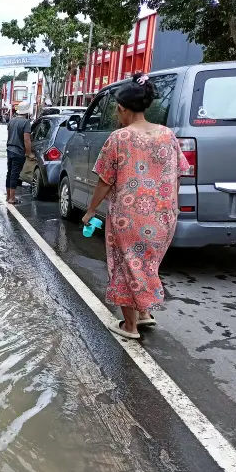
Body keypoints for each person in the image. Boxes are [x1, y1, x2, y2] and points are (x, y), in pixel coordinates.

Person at [83, 74, 190, 340]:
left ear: (122, 108)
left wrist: (89, 210)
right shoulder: (168, 135)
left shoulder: (120, 138)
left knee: (126, 265)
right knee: (146, 264)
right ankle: (144, 314)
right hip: (164, 217)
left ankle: (130, 327)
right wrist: (171, 208)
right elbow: (177, 175)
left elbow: (104, 181)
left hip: (129, 217)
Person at [5, 101, 32, 204]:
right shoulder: (26, 122)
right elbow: (27, 139)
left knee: (9, 173)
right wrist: (29, 153)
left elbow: (10, 135)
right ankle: (12, 198)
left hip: (9, 150)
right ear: (26, 112)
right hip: (18, 152)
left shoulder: (11, 121)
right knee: (15, 175)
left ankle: (8, 197)